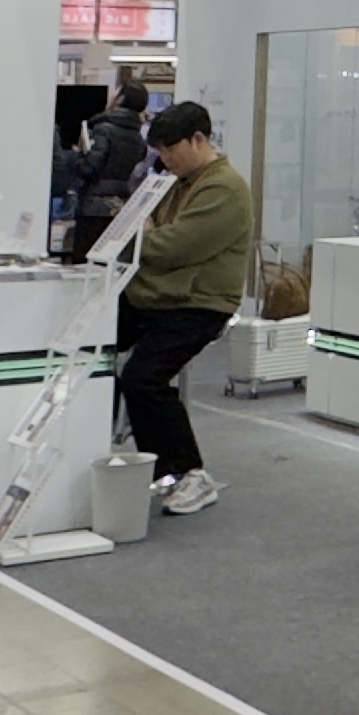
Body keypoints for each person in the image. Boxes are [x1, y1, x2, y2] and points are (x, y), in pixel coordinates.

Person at [116, 101, 256, 518]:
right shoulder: (178, 182)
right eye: (159, 150)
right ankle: (137, 455)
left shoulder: (224, 189)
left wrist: (142, 238)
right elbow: (152, 235)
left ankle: (188, 471)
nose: (165, 158)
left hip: (198, 303)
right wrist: (146, 236)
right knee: (94, 349)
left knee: (143, 378)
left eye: (171, 148)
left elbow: (170, 247)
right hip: (156, 295)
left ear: (198, 140)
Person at [63, 84, 148, 264]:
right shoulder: (138, 137)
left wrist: (76, 155)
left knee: (84, 264)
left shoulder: (103, 129)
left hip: (93, 207)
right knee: (107, 265)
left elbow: (89, 167)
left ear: (121, 98)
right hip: (120, 206)